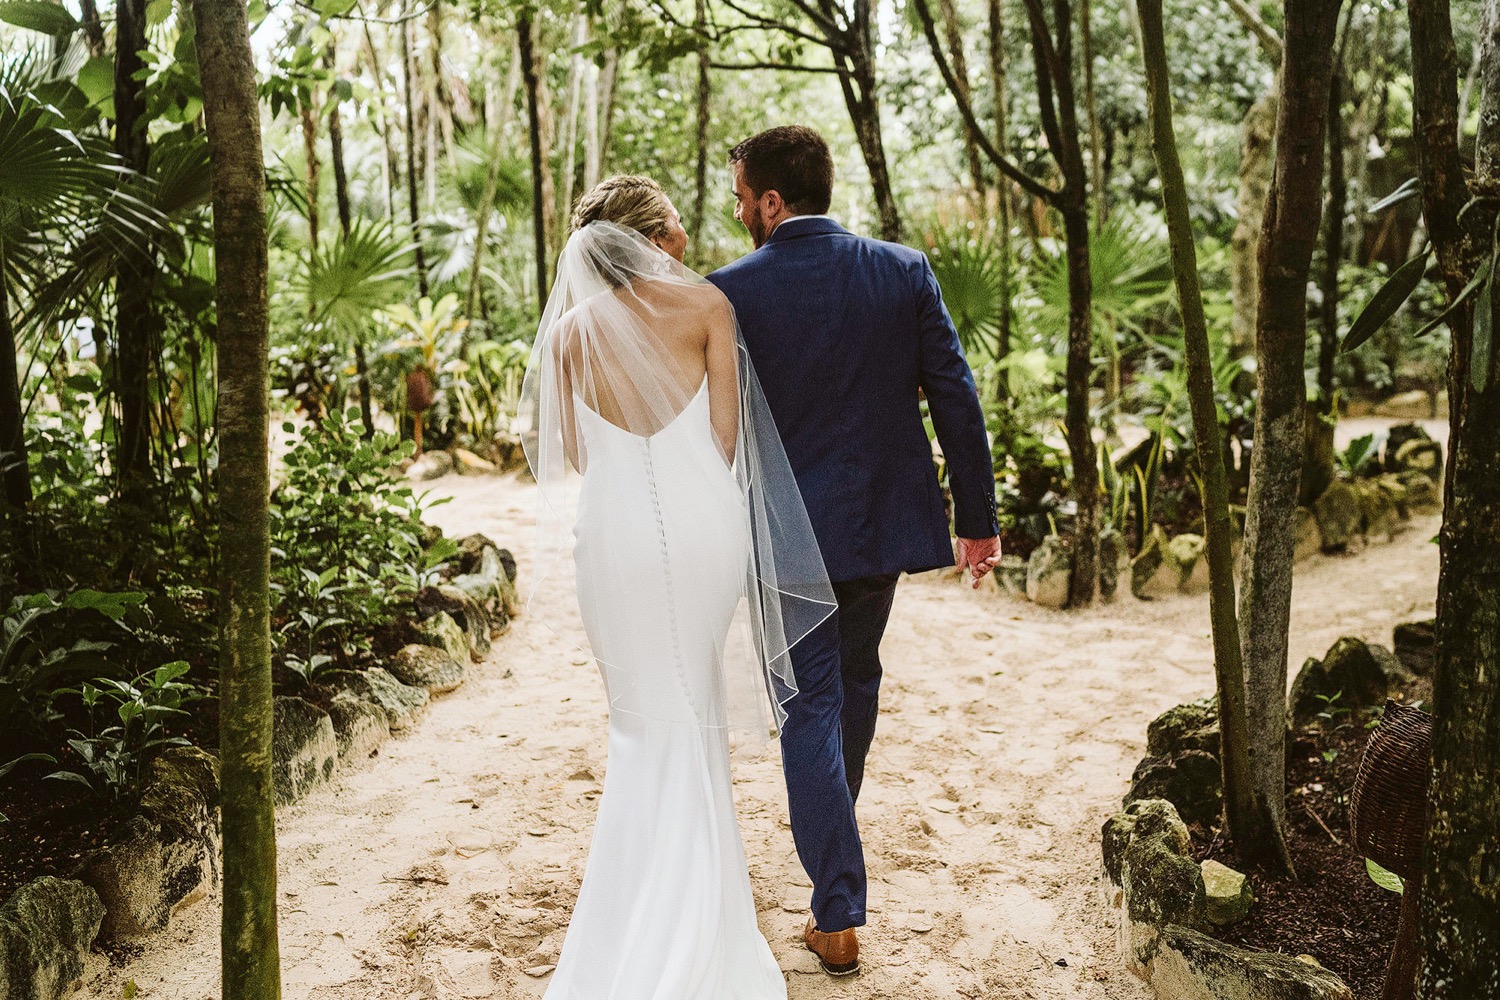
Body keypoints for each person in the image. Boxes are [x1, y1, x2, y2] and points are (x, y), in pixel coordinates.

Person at [520, 175, 836, 999]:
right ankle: (704, 923)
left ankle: (631, 925)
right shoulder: (706, 310)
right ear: (654, 237)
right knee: (694, 713)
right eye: (675, 223)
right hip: (704, 532)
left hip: (614, 538)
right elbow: (726, 441)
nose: (688, 233)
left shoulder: (569, 336)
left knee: (638, 723)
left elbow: (577, 457)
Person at [708, 125, 1002, 976]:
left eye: (740, 200)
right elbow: (955, 395)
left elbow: (713, 433)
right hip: (878, 526)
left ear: (772, 201)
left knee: (809, 703)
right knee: (856, 680)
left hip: (784, 537)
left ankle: (836, 908)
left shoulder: (728, 293)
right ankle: (831, 873)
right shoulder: (902, 271)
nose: (737, 216)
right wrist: (976, 518)